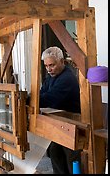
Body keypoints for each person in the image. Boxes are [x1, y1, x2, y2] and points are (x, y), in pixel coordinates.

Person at [39, 46, 82, 174]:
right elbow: (42, 94)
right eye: (46, 66)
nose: (48, 69)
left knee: (71, 158)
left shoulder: (67, 79)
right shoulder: (51, 78)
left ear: (62, 62)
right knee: (54, 152)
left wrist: (27, 99)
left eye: (51, 65)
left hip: (72, 124)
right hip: (59, 122)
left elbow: (48, 98)